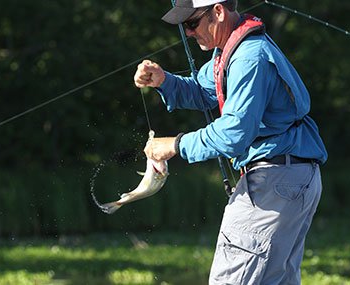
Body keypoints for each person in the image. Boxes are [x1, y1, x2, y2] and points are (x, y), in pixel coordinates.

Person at [133, 0, 328, 284]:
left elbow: (235, 133)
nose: (188, 32)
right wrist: (164, 81)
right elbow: (203, 92)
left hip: (274, 181)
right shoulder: (231, 52)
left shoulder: (249, 57)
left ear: (219, 11)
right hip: (291, 177)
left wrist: (176, 144)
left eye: (191, 23)